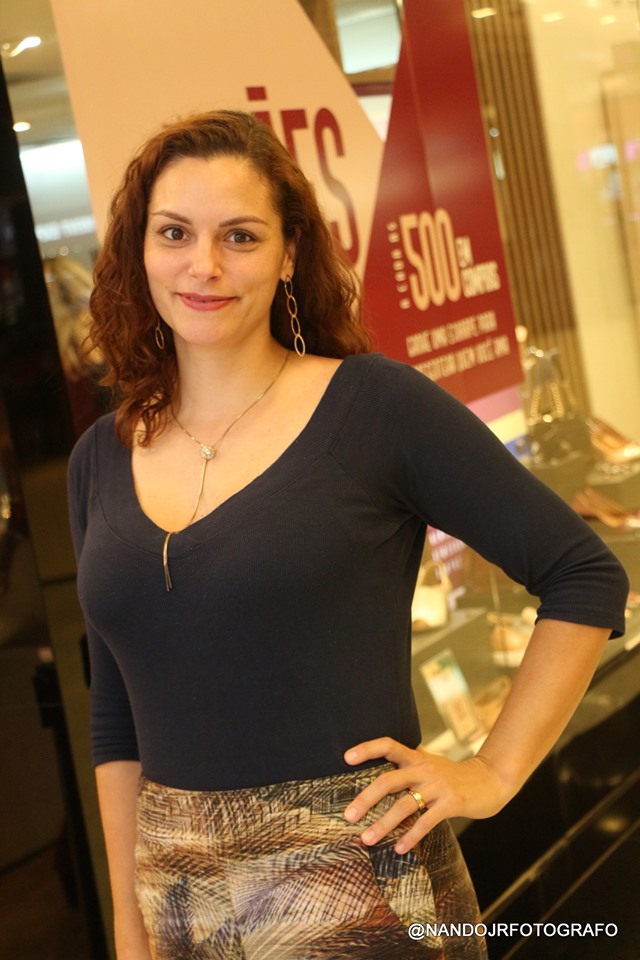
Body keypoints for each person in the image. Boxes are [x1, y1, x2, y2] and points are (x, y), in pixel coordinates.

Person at [68, 110, 628, 960]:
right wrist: (128, 923)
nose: (203, 265)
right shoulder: (98, 458)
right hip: (178, 904)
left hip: (362, 894)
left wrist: (492, 772)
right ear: (138, 250)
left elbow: (583, 573)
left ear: (289, 253)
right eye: (174, 233)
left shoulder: (373, 407)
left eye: (240, 236)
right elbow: (116, 712)